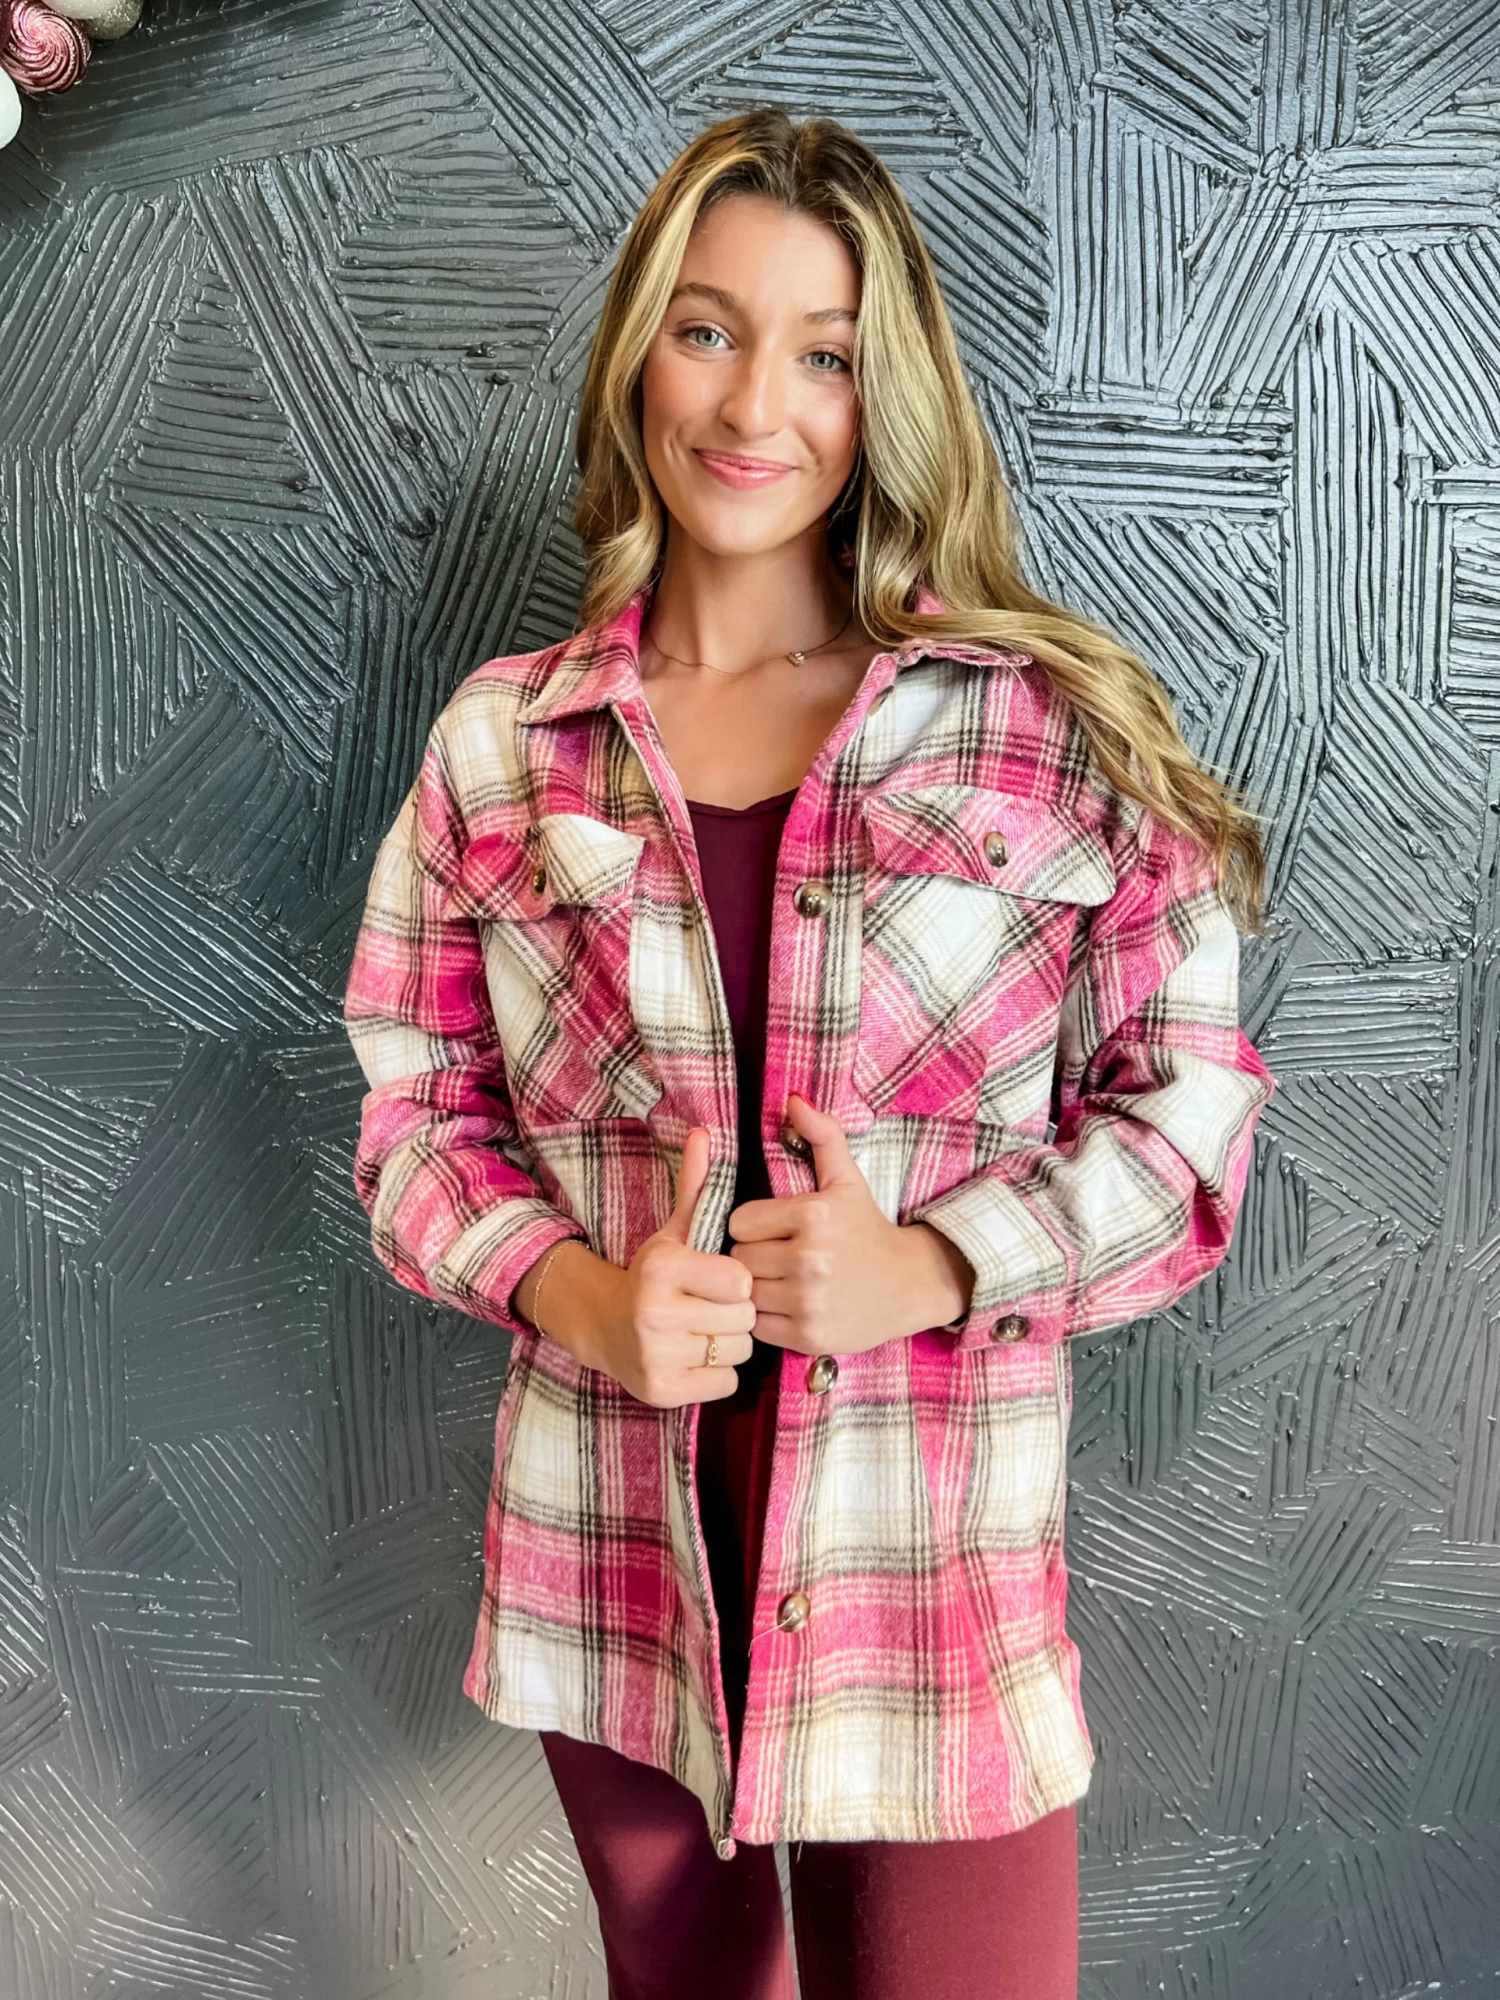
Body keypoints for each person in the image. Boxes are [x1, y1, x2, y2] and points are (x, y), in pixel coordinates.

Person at [342, 106, 1276, 2000]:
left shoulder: (1040, 729)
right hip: (614, 1562)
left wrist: (930, 1265)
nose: (755, 402)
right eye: (708, 329)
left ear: (885, 393)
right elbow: (416, 1109)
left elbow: (1188, 1121)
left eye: (825, 353)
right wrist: (580, 1297)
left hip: (928, 1585)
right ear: (640, 353)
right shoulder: (506, 748)